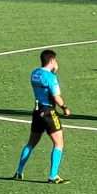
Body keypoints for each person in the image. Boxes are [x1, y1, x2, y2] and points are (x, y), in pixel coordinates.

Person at [13, 49, 72, 184]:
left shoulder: (35, 73)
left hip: (37, 112)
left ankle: (19, 171)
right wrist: (64, 108)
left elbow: (42, 85)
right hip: (49, 113)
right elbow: (56, 96)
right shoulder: (51, 78)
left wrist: (53, 72)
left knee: (31, 143)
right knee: (59, 143)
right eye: (55, 60)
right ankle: (53, 176)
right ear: (52, 61)